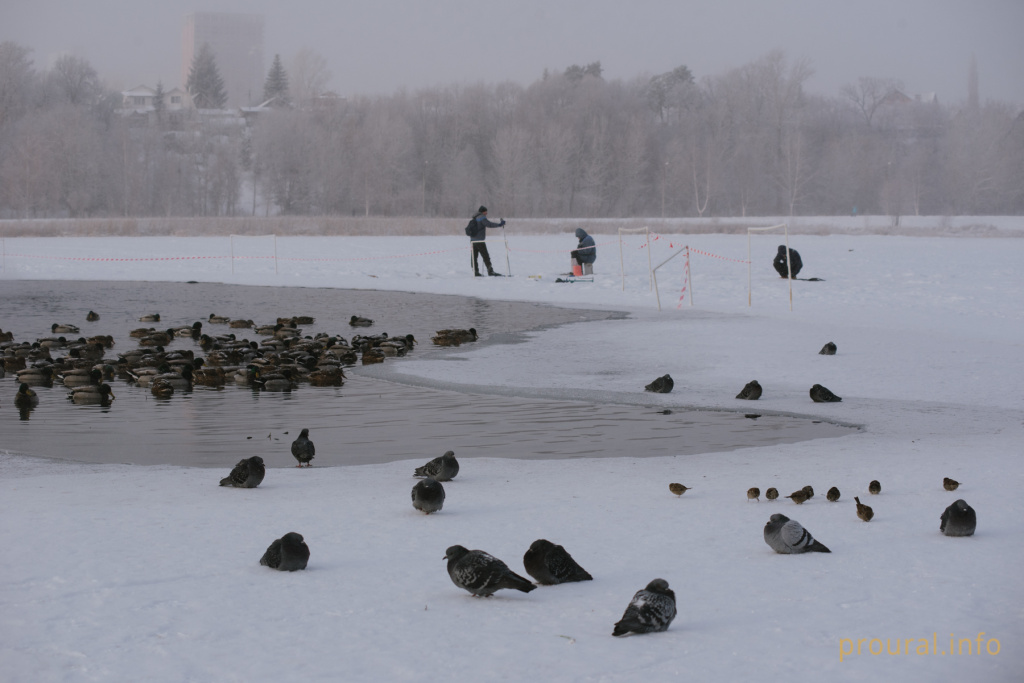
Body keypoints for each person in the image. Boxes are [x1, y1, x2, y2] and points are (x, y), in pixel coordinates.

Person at [466, 206, 505, 277]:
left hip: (472, 240)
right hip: (479, 241)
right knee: (485, 256)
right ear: (483, 211)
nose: (486, 213)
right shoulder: (482, 217)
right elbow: (489, 224)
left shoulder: (475, 217)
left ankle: (475, 272)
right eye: (486, 211)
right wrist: (499, 224)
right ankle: (490, 271)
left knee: (474, 256)